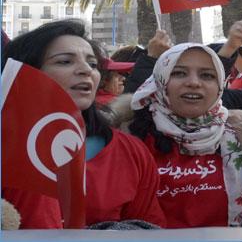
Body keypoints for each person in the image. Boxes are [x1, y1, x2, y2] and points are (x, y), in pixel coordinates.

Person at [1, 19, 165, 228]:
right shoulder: (6, 148)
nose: (86, 70)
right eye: (65, 61)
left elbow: (149, 227)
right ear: (26, 72)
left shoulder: (130, 151)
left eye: (93, 64)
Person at [127, 43, 242, 228]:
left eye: (207, 75)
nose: (193, 82)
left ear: (220, 86)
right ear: (160, 80)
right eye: (179, 73)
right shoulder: (131, 137)